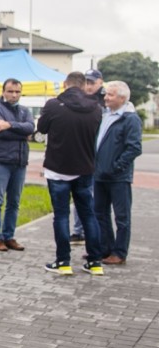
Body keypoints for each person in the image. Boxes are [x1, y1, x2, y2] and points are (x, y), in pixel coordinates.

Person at [36, 72, 104, 275]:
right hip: (84, 167)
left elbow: (42, 128)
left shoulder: (53, 105)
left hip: (57, 168)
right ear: (84, 86)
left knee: (61, 215)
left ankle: (63, 261)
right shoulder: (96, 108)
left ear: (65, 84)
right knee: (88, 215)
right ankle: (95, 262)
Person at [94, 81, 142, 265]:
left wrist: (116, 167)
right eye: (106, 94)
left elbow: (134, 148)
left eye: (110, 95)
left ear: (122, 98)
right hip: (100, 175)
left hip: (118, 177)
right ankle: (105, 249)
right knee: (100, 213)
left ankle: (119, 253)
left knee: (122, 217)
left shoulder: (130, 119)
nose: (105, 97)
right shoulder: (105, 115)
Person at [0, 79, 34, 252]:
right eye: (10, 91)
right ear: (3, 91)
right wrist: (21, 133)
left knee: (14, 202)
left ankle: (9, 236)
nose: (14, 95)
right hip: (0, 161)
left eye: (17, 92)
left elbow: (30, 128)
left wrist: (9, 125)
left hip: (19, 162)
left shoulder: (24, 110)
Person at [71, 68, 105, 242]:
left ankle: (93, 233)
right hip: (84, 154)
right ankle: (79, 230)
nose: (89, 86)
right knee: (81, 194)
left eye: (92, 82)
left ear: (101, 82)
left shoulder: (106, 100)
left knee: (95, 197)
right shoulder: (80, 99)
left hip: (100, 156)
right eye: (87, 82)